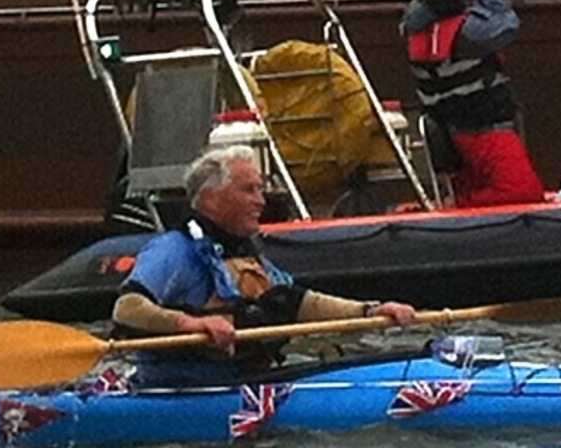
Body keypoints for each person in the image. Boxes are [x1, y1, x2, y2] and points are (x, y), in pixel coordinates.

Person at [112, 147, 418, 384]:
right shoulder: (174, 250)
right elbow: (126, 308)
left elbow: (296, 302)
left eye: (260, 189)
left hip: (247, 378)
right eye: (248, 190)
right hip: (183, 388)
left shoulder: (247, 253)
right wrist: (190, 324)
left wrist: (370, 311)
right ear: (210, 198)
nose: (260, 201)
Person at [402, 0, 546, 208]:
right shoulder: (469, 34)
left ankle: (458, 204)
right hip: (482, 125)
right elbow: (508, 24)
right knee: (523, 191)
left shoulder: (414, 25)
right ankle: (457, 206)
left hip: (449, 125)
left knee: (485, 185)